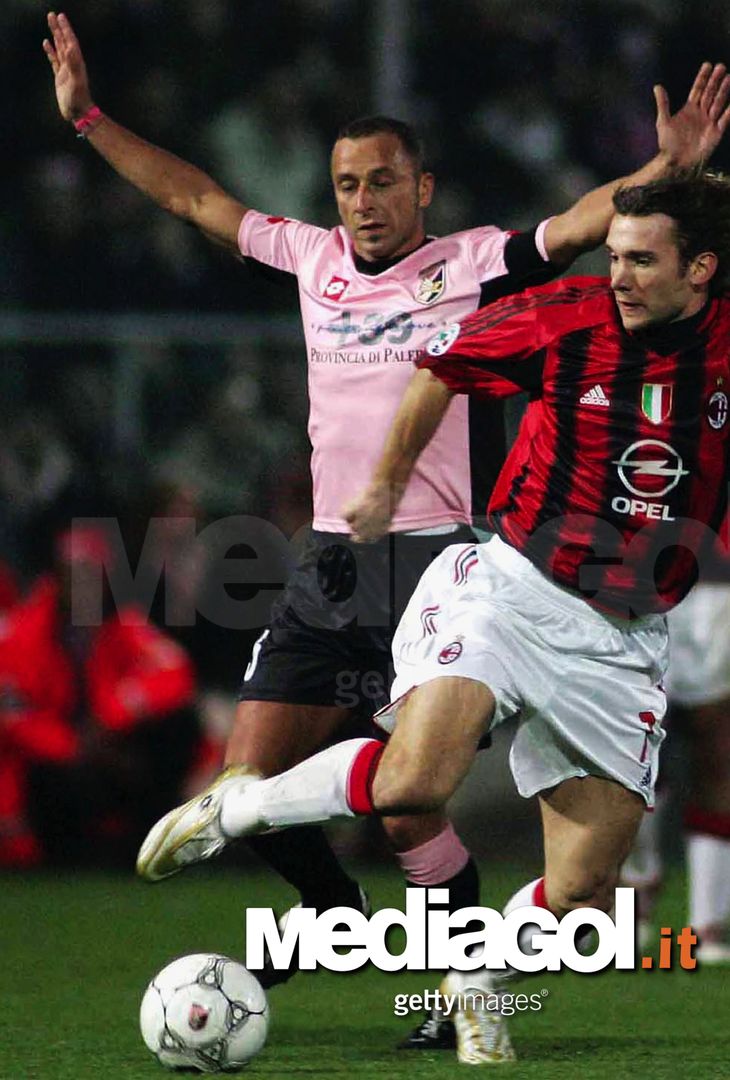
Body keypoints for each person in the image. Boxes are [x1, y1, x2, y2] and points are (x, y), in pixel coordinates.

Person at [44, 6, 728, 1046]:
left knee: (422, 805)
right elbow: (192, 197)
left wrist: (664, 169)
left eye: (380, 181)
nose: (362, 202)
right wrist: (89, 119)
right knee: (259, 777)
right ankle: (335, 910)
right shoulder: (310, 259)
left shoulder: (474, 265)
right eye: (346, 185)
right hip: (341, 561)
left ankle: (453, 992)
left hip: (442, 553)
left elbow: (588, 226)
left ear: (422, 188)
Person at [0, 524, 199, 867]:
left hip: (100, 752)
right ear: (57, 578)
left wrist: (113, 714)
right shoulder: (20, 634)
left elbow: (176, 672)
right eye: (75, 576)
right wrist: (75, 745)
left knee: (177, 727)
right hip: (41, 772)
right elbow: (15, 720)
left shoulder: (118, 625)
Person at [622, 562, 730, 963]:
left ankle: (706, 922)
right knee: (635, 750)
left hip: (717, 582)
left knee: (716, 751)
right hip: (640, 581)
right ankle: (636, 886)